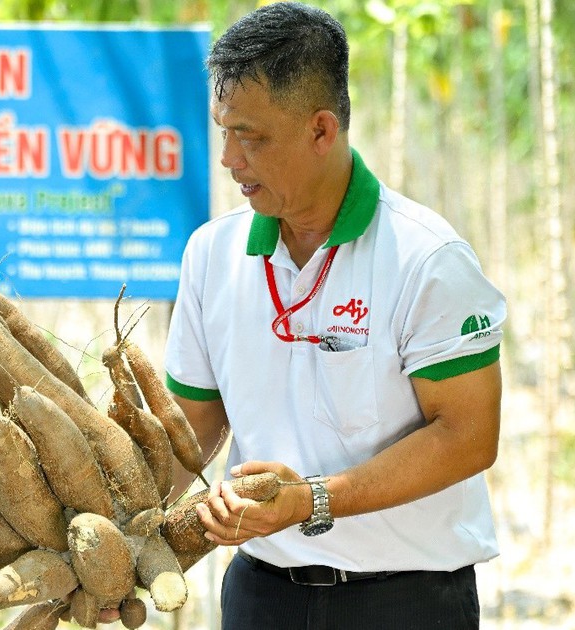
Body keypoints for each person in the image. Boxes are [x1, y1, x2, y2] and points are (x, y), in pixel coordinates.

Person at [163, 3, 504, 628]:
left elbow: (468, 436)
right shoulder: (211, 253)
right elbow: (192, 425)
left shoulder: (426, 258)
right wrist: (117, 536)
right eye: (224, 130)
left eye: (252, 136)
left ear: (322, 130)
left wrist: (312, 501)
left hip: (408, 599)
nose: (228, 160)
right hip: (261, 596)